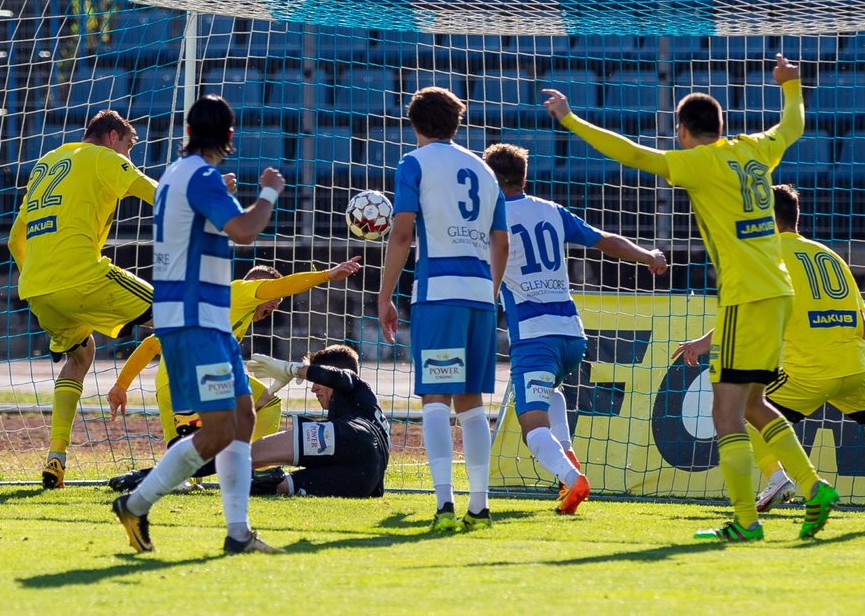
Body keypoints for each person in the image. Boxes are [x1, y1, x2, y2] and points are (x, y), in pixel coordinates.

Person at [544, 54, 839, 542]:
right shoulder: (753, 149)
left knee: (724, 413)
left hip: (746, 295)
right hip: (778, 290)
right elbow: (791, 127)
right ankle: (813, 488)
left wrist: (571, 119)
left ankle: (746, 520)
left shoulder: (699, 163)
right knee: (753, 405)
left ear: (683, 129)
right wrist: (791, 84)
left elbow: (632, 155)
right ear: (720, 125)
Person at [674, 184, 865, 511]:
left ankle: (777, 478)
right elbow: (863, 325)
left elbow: (745, 311)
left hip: (809, 373)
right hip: (855, 366)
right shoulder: (830, 256)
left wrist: (703, 342)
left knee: (743, 409)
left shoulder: (769, 256)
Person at [111, 94, 285, 554]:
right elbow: (245, 234)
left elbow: (196, 224)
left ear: (189, 132)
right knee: (216, 430)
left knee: (243, 418)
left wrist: (221, 192)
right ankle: (137, 502)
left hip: (204, 316)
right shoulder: (201, 177)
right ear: (229, 137)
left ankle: (238, 532)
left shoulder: (176, 175)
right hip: (194, 317)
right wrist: (267, 191)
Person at [482, 142, 668, 514]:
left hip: (536, 336)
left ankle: (572, 479)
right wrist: (648, 255)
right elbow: (604, 240)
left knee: (532, 428)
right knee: (552, 394)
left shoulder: (491, 217)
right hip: (572, 335)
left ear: (490, 180)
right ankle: (570, 463)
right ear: (524, 177)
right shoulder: (551, 210)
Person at [105, 258, 361, 491]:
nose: (276, 303)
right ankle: (151, 477)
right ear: (257, 285)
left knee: (264, 405)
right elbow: (283, 286)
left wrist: (121, 385)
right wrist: (328, 274)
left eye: (279, 301)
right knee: (191, 461)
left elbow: (152, 343)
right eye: (274, 296)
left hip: (178, 382)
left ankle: (245, 467)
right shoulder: (239, 291)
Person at [377, 87, 510, 532]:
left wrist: (385, 295)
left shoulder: (413, 164)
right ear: (457, 123)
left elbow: (401, 234)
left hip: (438, 292)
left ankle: (443, 505)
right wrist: (488, 292)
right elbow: (501, 241)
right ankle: (480, 505)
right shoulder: (485, 170)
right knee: (472, 402)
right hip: (478, 295)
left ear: (414, 124)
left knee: (435, 397)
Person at [7, 110, 157, 490]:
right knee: (179, 321)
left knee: (81, 355)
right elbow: (160, 195)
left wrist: (43, 278)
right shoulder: (105, 159)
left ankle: (56, 457)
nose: (128, 157)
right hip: (81, 276)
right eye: (128, 146)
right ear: (111, 136)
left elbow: (14, 240)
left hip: (37, 288)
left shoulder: (47, 162)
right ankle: (192, 446)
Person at [244, 344, 390, 498]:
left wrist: (292, 369)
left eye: (317, 380)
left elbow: (338, 376)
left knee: (246, 455)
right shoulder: (367, 407)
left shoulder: (352, 381)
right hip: (365, 481)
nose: (313, 389)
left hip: (352, 437)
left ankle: (215, 462)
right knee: (271, 484)